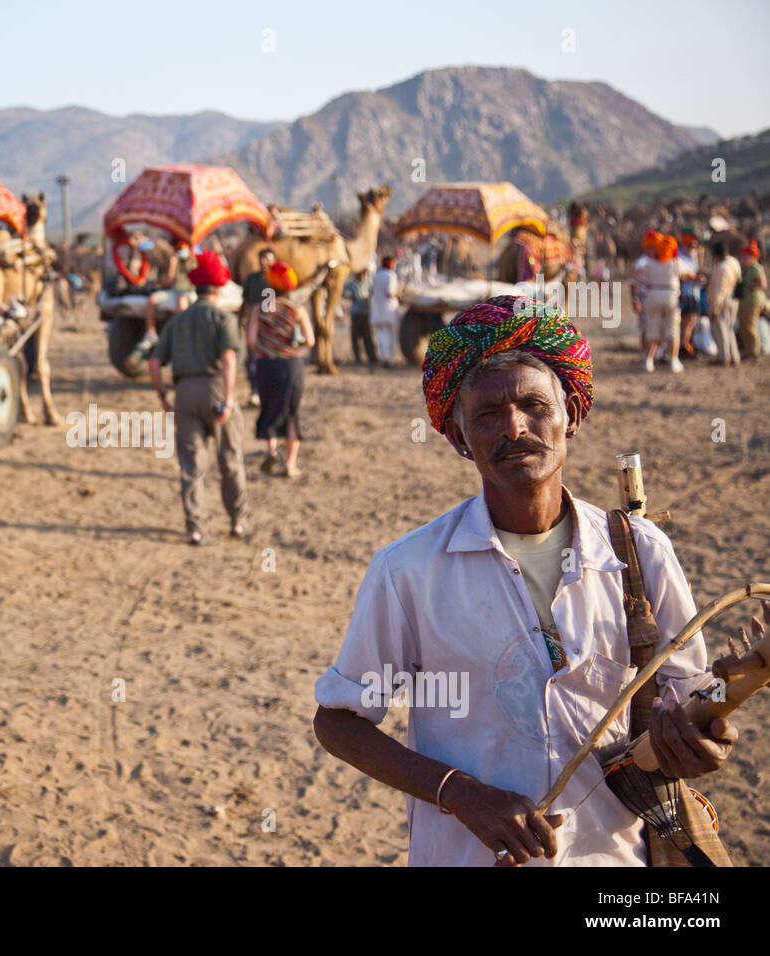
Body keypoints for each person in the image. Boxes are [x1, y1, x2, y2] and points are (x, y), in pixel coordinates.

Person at [312, 295, 741, 866]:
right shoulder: (409, 570)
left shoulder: (638, 552)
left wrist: (702, 742)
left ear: (573, 417)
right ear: (459, 438)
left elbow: (690, 699)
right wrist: (461, 795)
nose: (514, 426)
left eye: (535, 405)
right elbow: (339, 721)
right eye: (488, 415)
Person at [147, 249, 249, 546]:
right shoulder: (222, 318)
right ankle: (239, 521)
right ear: (218, 288)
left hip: (184, 394)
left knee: (191, 466)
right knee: (230, 460)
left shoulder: (177, 321)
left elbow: (154, 362)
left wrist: (163, 397)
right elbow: (229, 358)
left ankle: (195, 528)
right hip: (216, 388)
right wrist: (229, 399)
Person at [246, 260, 313, 478]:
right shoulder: (297, 310)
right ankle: (290, 464)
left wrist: (265, 348)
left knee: (270, 409)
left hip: (267, 365)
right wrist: (293, 345)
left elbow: (251, 340)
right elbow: (310, 341)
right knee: (292, 413)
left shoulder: (259, 309)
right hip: (292, 365)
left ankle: (271, 451)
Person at [631, 234, 693, 372]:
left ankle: (648, 361)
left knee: (652, 330)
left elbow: (634, 276)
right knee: (673, 330)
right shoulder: (675, 262)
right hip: (671, 295)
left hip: (652, 295)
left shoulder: (648, 263)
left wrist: (644, 284)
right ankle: (674, 360)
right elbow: (688, 275)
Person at [238, 247, 277, 405]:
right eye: (262, 258)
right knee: (253, 358)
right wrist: (240, 318)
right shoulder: (252, 279)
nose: (265, 261)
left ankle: (271, 391)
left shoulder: (278, 280)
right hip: (254, 324)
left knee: (272, 359)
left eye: (268, 258)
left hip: (272, 326)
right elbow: (245, 300)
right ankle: (255, 391)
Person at [706, 239, 742, 367]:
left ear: (716, 255)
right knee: (729, 330)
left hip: (723, 301)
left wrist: (715, 309)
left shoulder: (722, 268)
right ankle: (734, 356)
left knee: (721, 330)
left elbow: (719, 292)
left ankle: (724, 357)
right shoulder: (734, 261)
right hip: (733, 299)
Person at [736, 240, 765, 360]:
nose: (743, 259)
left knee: (749, 326)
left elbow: (762, 284)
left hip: (753, 300)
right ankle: (748, 351)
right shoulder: (746, 269)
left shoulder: (756, 268)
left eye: (745, 257)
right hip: (745, 301)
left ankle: (754, 352)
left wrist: (747, 286)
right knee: (743, 326)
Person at [370, 255, 401, 367]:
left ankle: (384, 358)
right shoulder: (391, 276)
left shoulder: (376, 276)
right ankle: (390, 360)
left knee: (381, 336)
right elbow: (390, 293)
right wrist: (401, 292)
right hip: (390, 310)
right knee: (392, 336)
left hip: (378, 310)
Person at [677, 228, 702, 358]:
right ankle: (683, 346)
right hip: (685, 294)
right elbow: (682, 274)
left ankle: (685, 344)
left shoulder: (695, 257)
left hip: (695, 293)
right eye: (690, 245)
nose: (693, 247)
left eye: (694, 245)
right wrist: (695, 277)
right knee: (684, 321)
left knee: (691, 321)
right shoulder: (679, 256)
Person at [344, 268, 375, 365]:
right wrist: (350, 297)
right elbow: (343, 292)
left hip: (365, 313)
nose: (361, 276)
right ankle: (357, 357)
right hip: (355, 313)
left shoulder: (368, 283)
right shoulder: (351, 284)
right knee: (355, 337)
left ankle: (372, 357)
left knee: (367, 336)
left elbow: (374, 293)